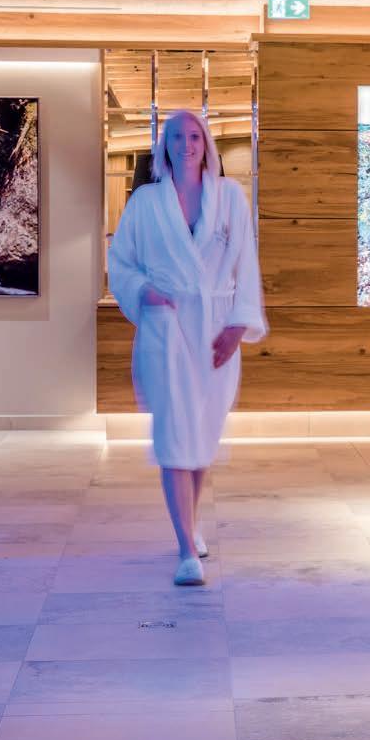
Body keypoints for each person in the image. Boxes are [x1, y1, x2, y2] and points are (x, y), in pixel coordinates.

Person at [108, 110, 266, 586]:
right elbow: (121, 262)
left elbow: (247, 263)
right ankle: (186, 550)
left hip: (216, 328)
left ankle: (191, 525)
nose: (186, 144)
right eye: (176, 136)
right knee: (175, 434)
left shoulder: (230, 197)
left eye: (195, 135)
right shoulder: (145, 202)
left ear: (206, 144)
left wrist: (238, 326)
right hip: (166, 327)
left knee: (201, 436)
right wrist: (143, 292)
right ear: (165, 147)